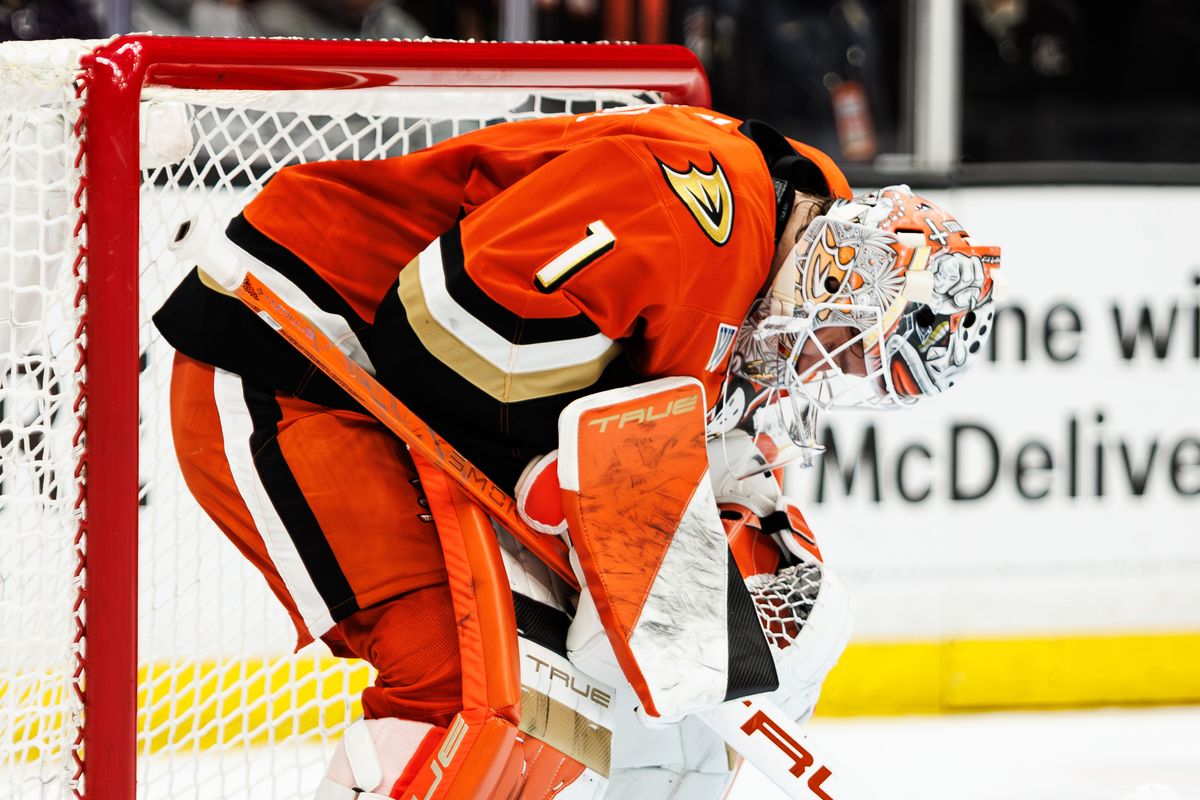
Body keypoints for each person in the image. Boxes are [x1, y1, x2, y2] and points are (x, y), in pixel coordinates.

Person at [155, 103, 999, 798]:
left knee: (560, 708)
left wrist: (714, 504)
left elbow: (660, 409)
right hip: (294, 356)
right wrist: (560, 470)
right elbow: (437, 329)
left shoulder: (795, 229)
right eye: (849, 346)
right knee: (464, 686)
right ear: (842, 274)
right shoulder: (694, 204)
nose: (829, 368)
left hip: (386, 398)